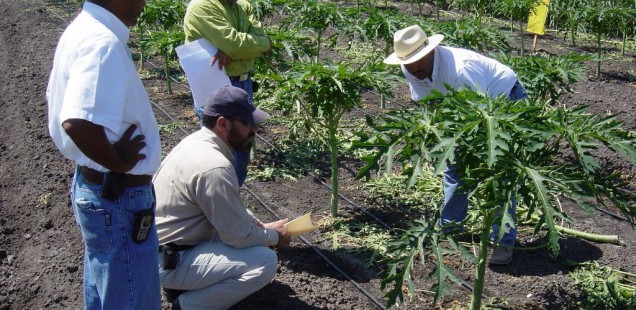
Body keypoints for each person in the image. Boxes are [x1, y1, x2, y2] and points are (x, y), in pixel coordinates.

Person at [46, 0, 162, 309]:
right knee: (131, 301)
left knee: (108, 294)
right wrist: (119, 163)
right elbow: (77, 121)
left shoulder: (85, 29)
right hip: (119, 199)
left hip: (103, 190)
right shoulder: (102, 43)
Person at [383, 25, 528, 265]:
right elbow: (430, 103)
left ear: (431, 52)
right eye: (408, 64)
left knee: (501, 172)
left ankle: (503, 240)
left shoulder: (462, 69)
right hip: (461, 110)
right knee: (454, 168)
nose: (413, 69)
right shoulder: (411, 69)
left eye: (417, 61)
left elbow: (481, 113)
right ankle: (451, 229)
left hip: (503, 102)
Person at [154, 85, 291, 310]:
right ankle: (187, 306)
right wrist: (275, 237)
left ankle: (181, 287)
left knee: (247, 223)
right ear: (223, 123)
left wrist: (261, 227)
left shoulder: (196, 143)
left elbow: (227, 212)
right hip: (168, 259)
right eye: (247, 123)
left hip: (166, 247)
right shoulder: (214, 166)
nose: (254, 129)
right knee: (264, 262)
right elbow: (238, 236)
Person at [183, 0, 272, 187]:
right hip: (216, 84)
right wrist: (250, 47)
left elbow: (260, 39)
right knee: (220, 153)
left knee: (241, 151)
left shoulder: (243, 6)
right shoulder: (202, 6)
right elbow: (235, 44)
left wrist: (263, 43)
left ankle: (231, 201)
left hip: (243, 83)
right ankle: (215, 205)